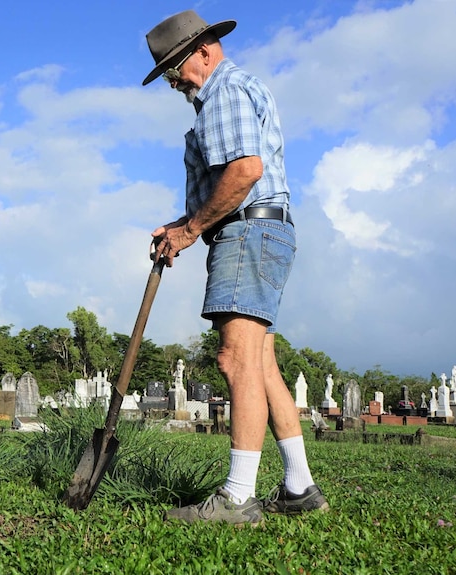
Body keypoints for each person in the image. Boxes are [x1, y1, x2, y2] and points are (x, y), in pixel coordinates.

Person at [142, 9, 329, 526]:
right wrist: (183, 223)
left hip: (247, 231)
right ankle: (298, 486)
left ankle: (237, 497)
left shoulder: (223, 91)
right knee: (260, 362)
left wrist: (189, 230)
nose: (175, 82)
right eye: (166, 75)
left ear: (204, 50)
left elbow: (245, 171)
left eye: (175, 68)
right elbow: (232, 180)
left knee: (235, 361)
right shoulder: (232, 91)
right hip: (260, 228)